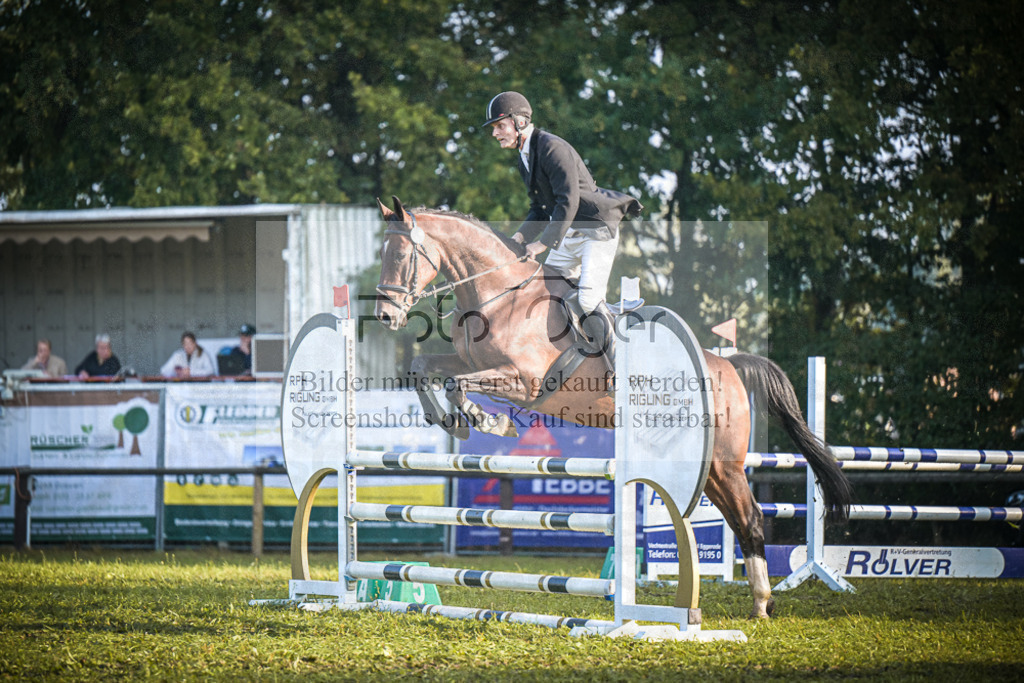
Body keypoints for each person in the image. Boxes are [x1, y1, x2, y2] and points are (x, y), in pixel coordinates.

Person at [483, 91, 642, 354]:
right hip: (569, 234)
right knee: (544, 292)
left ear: (520, 121)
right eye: (494, 128)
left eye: (500, 126)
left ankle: (619, 359)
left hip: (596, 232)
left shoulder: (551, 148)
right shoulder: (525, 157)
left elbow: (568, 201)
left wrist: (542, 244)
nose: (495, 133)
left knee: (588, 300)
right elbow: (539, 208)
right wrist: (518, 238)